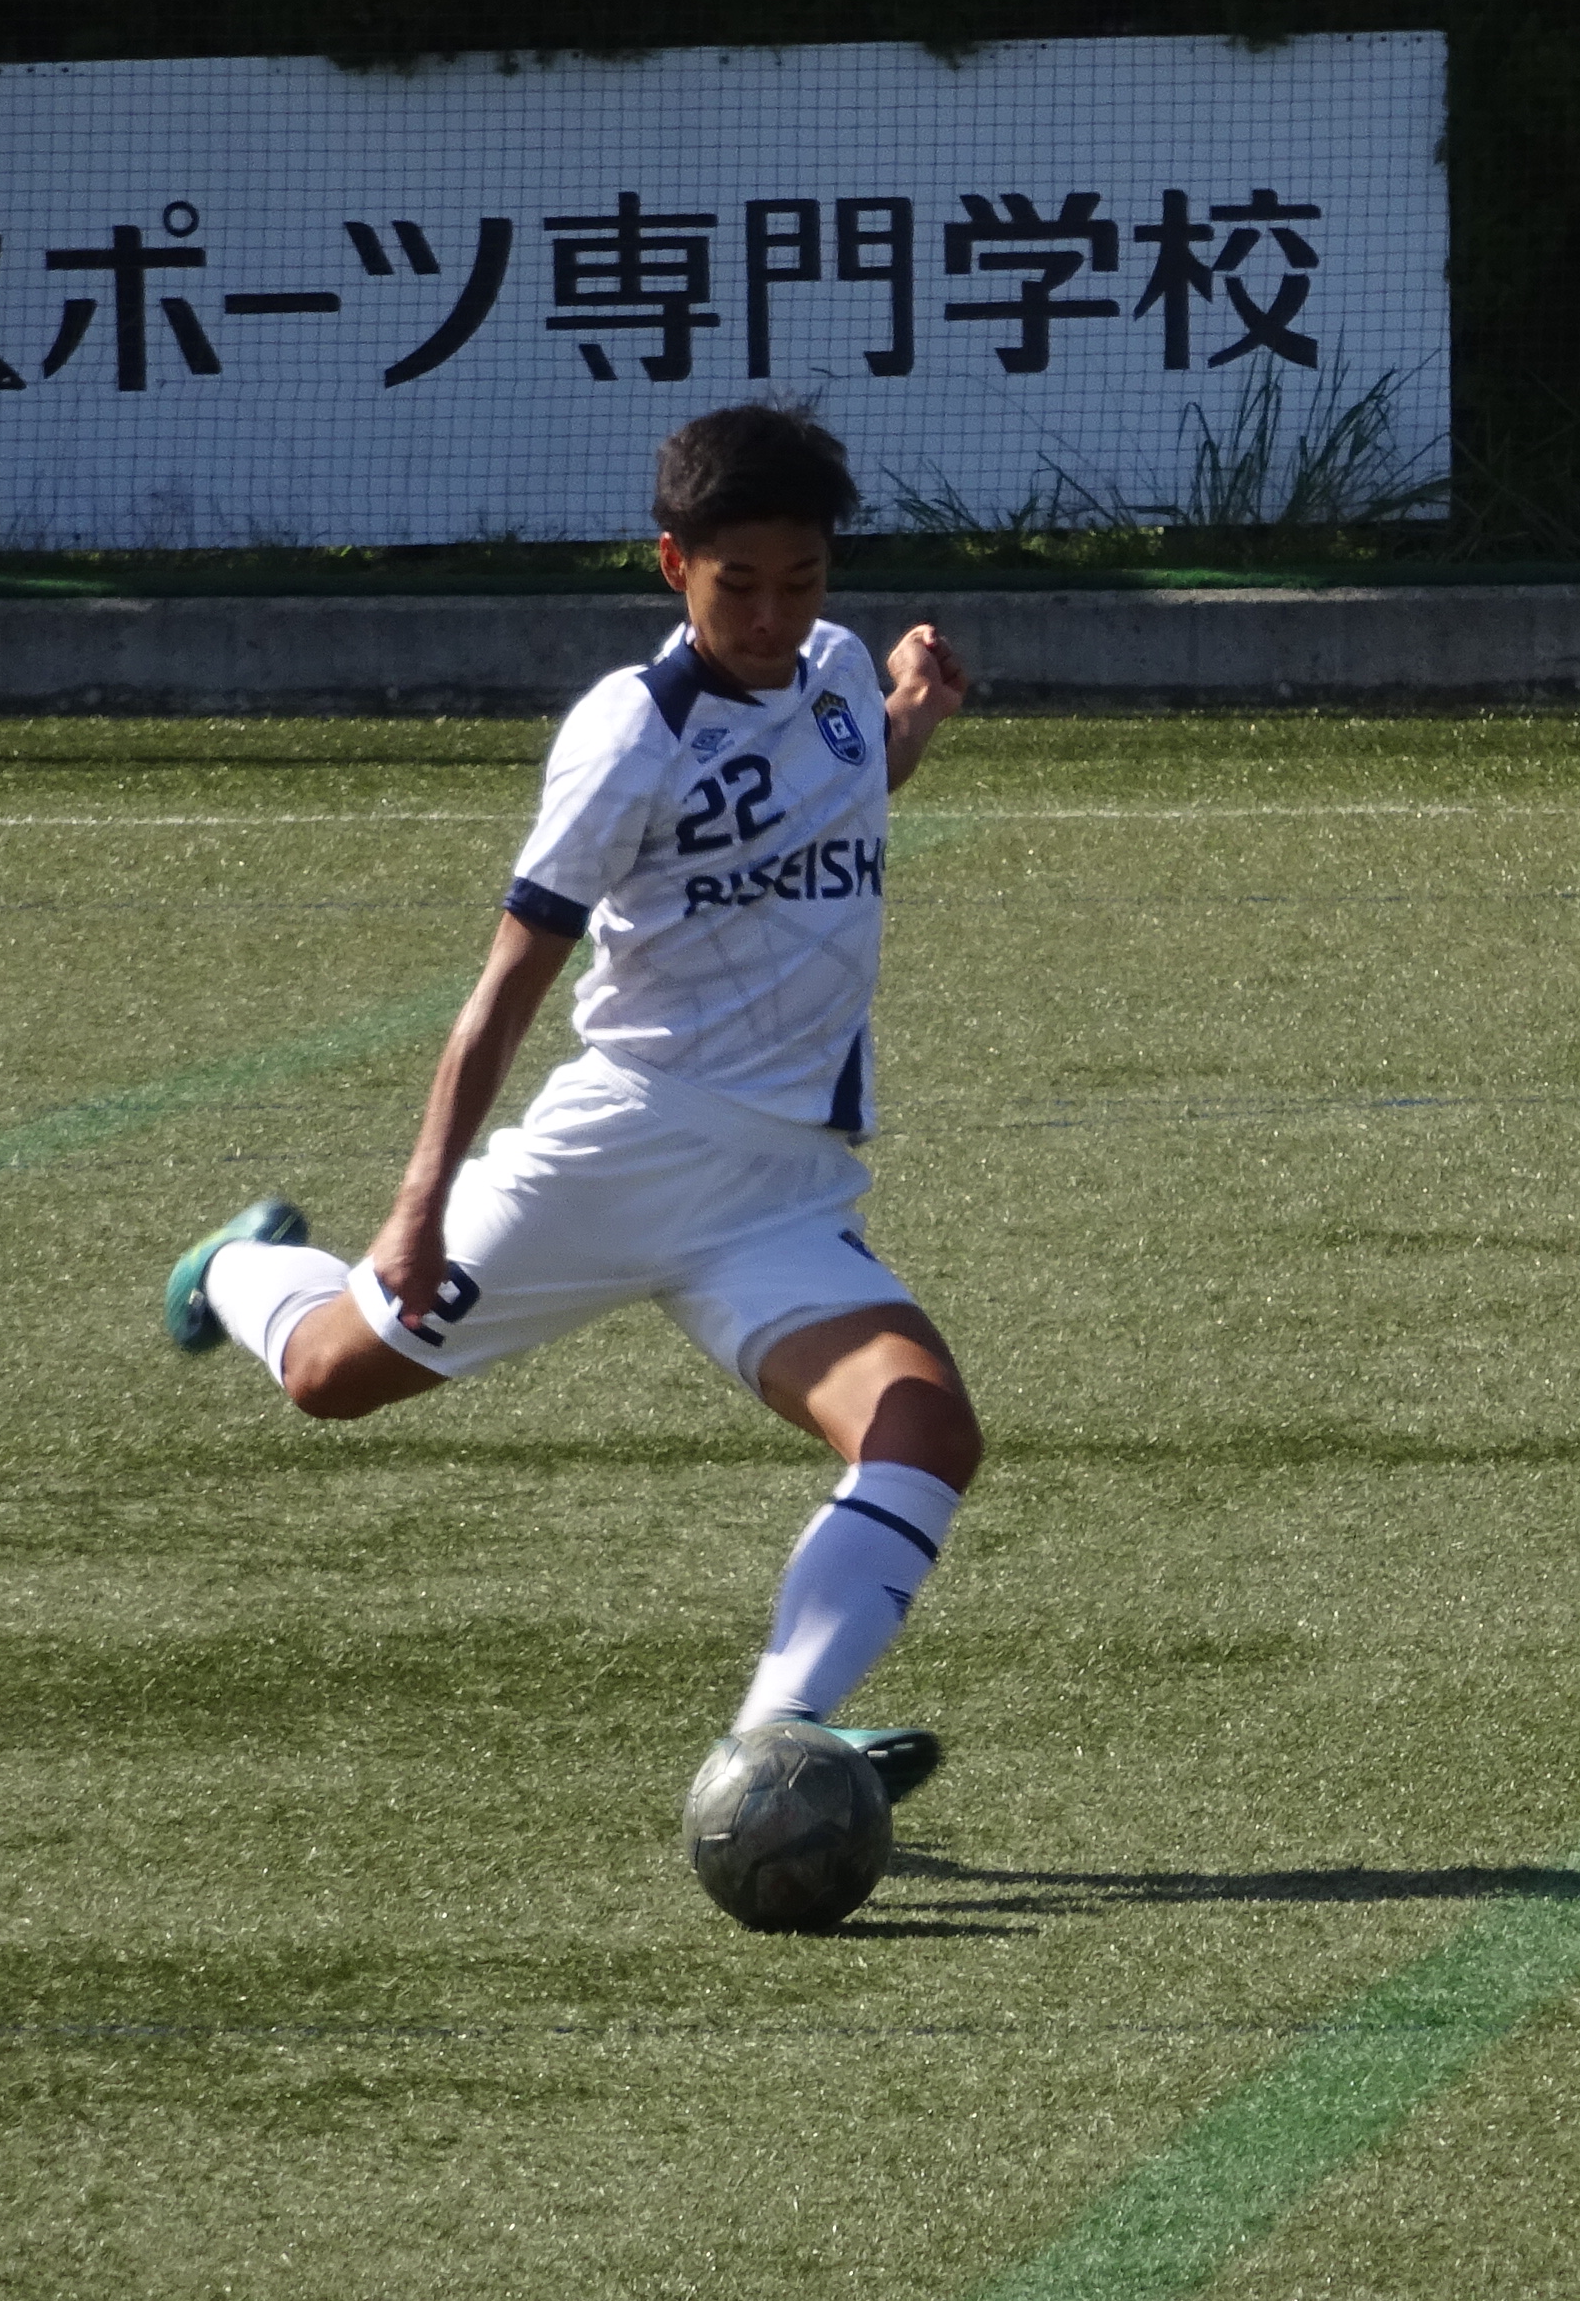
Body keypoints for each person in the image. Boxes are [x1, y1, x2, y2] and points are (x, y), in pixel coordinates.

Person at [158, 403, 978, 1805]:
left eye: (802, 580)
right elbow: (504, 989)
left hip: (780, 1192)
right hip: (621, 1152)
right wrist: (417, 1206)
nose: (772, 616)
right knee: (330, 1380)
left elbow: (850, 780)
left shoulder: (840, 669)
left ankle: (772, 1746)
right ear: (673, 564)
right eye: (738, 584)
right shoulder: (627, 735)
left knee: (926, 1433)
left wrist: (912, 714)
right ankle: (236, 1267)